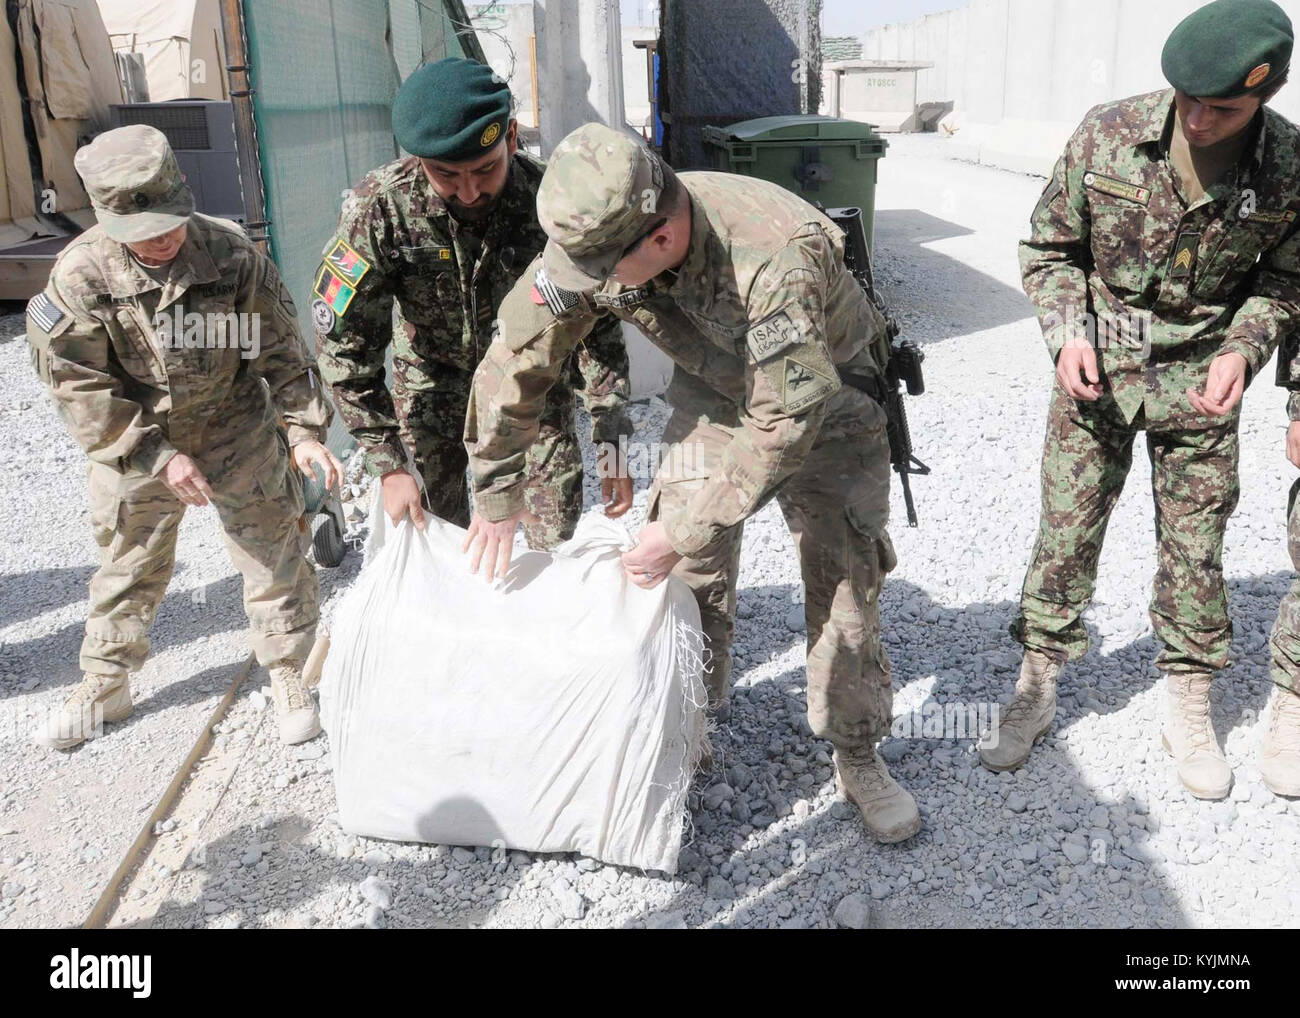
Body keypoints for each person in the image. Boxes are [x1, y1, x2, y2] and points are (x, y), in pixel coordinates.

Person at [462, 122, 920, 844]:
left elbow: (783, 426)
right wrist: (495, 486)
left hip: (827, 405)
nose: (588, 288)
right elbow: (518, 350)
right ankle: (689, 721)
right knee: (679, 571)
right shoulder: (602, 243)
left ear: (661, 240)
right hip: (717, 391)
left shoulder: (774, 258)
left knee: (842, 579)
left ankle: (857, 751)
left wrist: (686, 529)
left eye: (601, 274)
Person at [982, 0, 1300, 800]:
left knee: (1196, 545)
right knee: (1066, 529)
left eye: (1221, 107)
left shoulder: (1289, 166)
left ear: (1265, 95)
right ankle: (1036, 683)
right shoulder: (1109, 132)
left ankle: (1188, 700)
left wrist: (1243, 348)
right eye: (1186, 97)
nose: (1196, 118)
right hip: (1099, 369)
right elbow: (1049, 248)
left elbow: (1285, 282)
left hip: (1201, 377)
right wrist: (1067, 332)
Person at [25, 124, 341, 749]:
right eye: (142, 235)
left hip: (235, 426)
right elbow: (79, 387)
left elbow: (281, 349)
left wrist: (303, 431)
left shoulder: (229, 254)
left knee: (271, 547)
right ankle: (107, 682)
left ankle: (288, 667)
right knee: (128, 561)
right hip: (138, 440)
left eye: (170, 222)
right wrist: (154, 454)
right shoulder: (80, 276)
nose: (163, 240)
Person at [315, 58, 633, 542]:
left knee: (552, 533)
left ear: (510, 138)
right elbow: (345, 345)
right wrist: (388, 462)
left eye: (485, 170)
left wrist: (612, 440)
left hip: (532, 389)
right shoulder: (382, 209)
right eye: (447, 175)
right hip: (430, 390)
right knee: (436, 535)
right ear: (419, 160)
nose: (468, 191)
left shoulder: (551, 204)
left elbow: (600, 329)